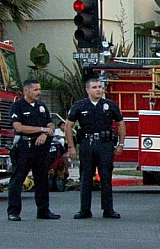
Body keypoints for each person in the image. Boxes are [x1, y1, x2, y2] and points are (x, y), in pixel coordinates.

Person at [65, 77, 127, 219]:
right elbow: (69, 126)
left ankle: (108, 209)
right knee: (86, 177)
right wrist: (71, 147)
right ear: (87, 90)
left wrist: (121, 143)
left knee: (106, 177)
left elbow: (121, 124)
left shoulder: (109, 105)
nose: (98, 89)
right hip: (87, 144)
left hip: (105, 144)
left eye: (99, 87)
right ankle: (84, 210)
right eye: (94, 87)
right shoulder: (79, 106)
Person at [6, 79, 61, 221]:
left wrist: (44, 134)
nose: (39, 92)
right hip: (24, 147)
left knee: (42, 179)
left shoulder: (41, 107)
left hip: (41, 148)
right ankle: (13, 211)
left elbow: (51, 125)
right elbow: (19, 127)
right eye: (35, 90)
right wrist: (42, 129)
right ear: (26, 91)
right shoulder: (17, 106)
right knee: (17, 179)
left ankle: (43, 210)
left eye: (39, 89)